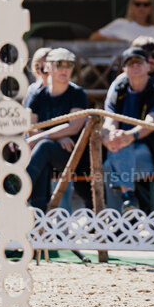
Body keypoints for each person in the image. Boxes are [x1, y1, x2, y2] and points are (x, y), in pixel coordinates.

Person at [102, 47, 154, 212]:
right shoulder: (118, 93)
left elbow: (152, 122)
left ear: (148, 66)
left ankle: (118, 218)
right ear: (124, 69)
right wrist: (109, 136)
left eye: (139, 62)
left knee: (111, 165)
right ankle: (128, 201)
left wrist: (130, 135)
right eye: (130, 62)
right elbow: (110, 121)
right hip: (123, 152)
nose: (134, 65)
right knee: (109, 163)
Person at [25, 47, 91, 209]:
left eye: (69, 65)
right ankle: (39, 219)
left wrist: (44, 136)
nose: (64, 69)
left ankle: (19, 188)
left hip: (74, 154)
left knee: (44, 146)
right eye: (59, 64)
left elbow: (74, 127)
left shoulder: (77, 94)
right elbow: (31, 129)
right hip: (49, 154)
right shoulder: (38, 95)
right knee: (40, 154)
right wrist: (58, 136)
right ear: (47, 67)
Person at [90, 0, 154, 43]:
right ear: (131, 6)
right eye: (137, 4)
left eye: (146, 4)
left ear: (151, 8)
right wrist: (119, 42)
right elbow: (93, 38)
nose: (142, 8)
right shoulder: (120, 23)